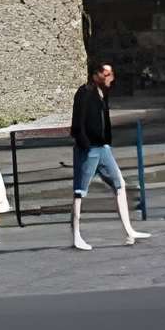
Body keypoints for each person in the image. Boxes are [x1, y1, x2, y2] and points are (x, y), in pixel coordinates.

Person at [69, 62, 143, 248]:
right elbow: (78, 122)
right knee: (80, 192)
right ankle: (76, 235)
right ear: (96, 75)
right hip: (89, 149)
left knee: (120, 184)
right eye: (107, 73)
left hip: (103, 147)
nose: (111, 77)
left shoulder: (103, 94)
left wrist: (106, 141)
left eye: (111, 73)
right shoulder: (84, 93)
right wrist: (84, 144)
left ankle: (129, 230)